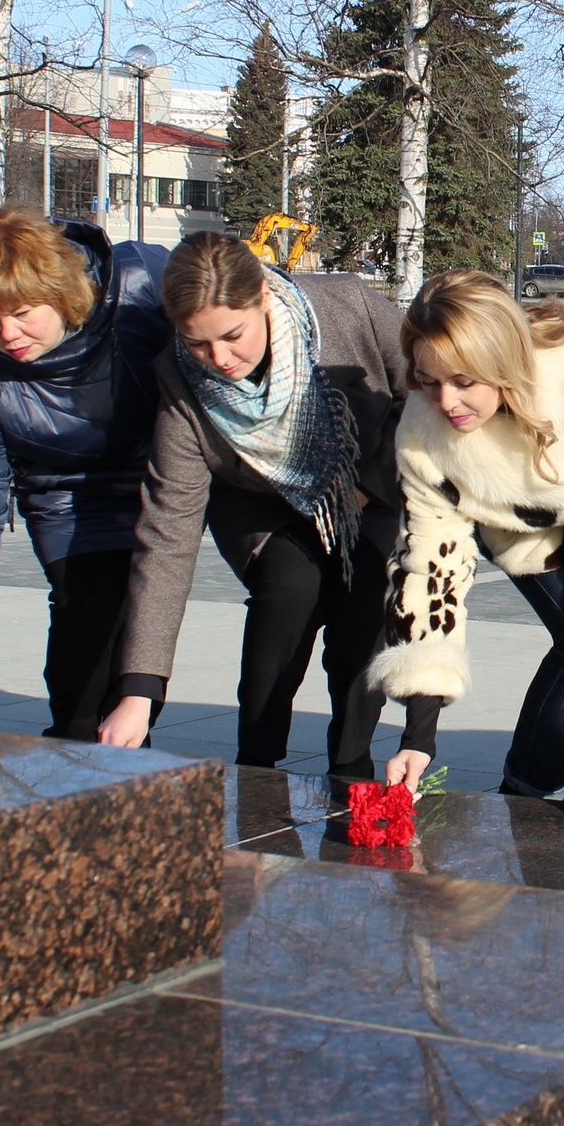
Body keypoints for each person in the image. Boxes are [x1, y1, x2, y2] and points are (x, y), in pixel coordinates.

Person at [94, 232, 437, 776]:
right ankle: (256, 764)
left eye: (232, 336)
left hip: (370, 484)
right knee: (290, 587)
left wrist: (377, 482)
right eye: (198, 342)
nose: (219, 359)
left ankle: (351, 765)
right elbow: (167, 532)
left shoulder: (350, 308)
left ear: (262, 298)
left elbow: (425, 390)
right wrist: (139, 689)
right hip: (258, 501)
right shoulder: (181, 378)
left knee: (364, 594)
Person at [365, 271, 564, 804]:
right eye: (429, 380)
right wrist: (418, 737)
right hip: (537, 533)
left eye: (465, 380)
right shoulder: (425, 440)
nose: (446, 401)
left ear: (501, 360)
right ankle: (527, 796)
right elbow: (430, 573)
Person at [0, 209, 170, 740]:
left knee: (132, 630)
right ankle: (90, 751)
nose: (7, 334)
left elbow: (238, 313)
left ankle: (127, 757)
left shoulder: (140, 285)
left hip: (164, 481)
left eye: (23, 312)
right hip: (65, 501)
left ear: (62, 293)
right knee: (84, 645)